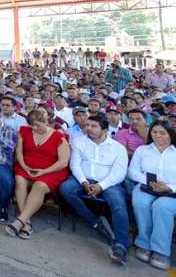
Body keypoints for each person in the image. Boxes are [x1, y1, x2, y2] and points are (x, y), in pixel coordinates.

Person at [59, 114, 129, 266]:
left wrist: (100, 186)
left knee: (118, 204)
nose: (88, 128)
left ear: (104, 130)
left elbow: (119, 173)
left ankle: (121, 245)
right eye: (87, 125)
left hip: (109, 183)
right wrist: (84, 182)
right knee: (66, 188)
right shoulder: (79, 141)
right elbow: (75, 164)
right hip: (83, 179)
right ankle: (95, 221)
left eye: (93, 126)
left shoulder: (118, 148)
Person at [7, 110, 70, 240]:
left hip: (52, 170)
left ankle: (19, 221)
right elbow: (19, 153)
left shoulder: (59, 136)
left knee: (39, 185)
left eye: (38, 125)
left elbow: (63, 162)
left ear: (46, 122)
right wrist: (24, 166)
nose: (35, 128)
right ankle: (27, 222)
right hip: (27, 166)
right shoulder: (24, 131)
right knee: (19, 180)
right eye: (32, 126)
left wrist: (44, 171)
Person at [129, 120, 176, 271]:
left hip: (172, 191)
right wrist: (152, 182)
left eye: (162, 133)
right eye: (154, 132)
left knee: (162, 207)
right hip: (146, 187)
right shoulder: (143, 150)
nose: (158, 136)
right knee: (141, 203)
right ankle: (144, 243)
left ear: (171, 134)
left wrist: (168, 188)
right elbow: (132, 171)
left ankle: (161, 251)